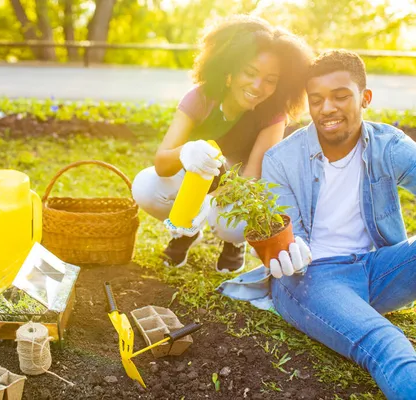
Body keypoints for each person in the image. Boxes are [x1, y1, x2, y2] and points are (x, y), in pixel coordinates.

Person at [223, 50, 416, 399]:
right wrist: (287, 250)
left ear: (365, 98)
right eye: (317, 100)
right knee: (388, 344)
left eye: (340, 96)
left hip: (377, 269)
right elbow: (287, 233)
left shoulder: (389, 145)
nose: (327, 108)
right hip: (311, 276)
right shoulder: (282, 158)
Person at [131, 15, 313, 272]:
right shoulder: (201, 98)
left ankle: (233, 244)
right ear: (229, 72)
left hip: (234, 188)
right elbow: (162, 164)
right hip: (193, 179)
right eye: (250, 73)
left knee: (232, 223)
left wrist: (209, 201)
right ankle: (186, 232)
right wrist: (186, 152)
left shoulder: (273, 115)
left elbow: (250, 179)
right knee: (146, 187)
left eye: (270, 80)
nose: (258, 86)